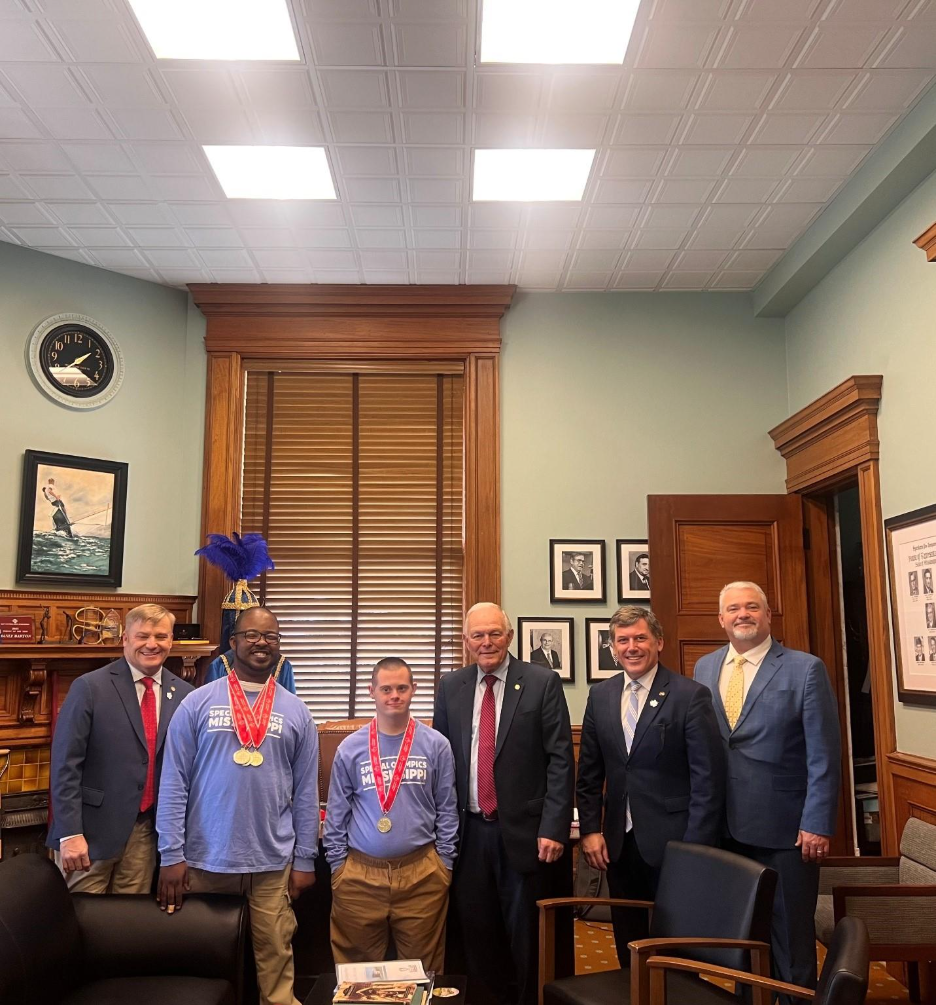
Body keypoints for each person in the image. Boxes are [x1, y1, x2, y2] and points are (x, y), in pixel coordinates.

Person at [156, 606, 319, 1005]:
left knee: (277, 965)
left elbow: (305, 793)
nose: (261, 643)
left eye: (271, 637)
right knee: (203, 968)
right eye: (251, 635)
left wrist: (305, 860)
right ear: (233, 643)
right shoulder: (196, 703)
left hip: (272, 863)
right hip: (205, 861)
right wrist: (170, 854)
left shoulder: (297, 711)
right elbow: (174, 781)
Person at [693, 581, 840, 1000]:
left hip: (788, 830)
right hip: (725, 828)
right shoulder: (705, 667)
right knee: (743, 938)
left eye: (752, 607)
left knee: (792, 937)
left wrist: (817, 823)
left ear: (768, 614)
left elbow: (824, 754)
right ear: (721, 619)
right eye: (734, 608)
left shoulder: (804, 668)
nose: (743, 614)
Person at [433, 602, 575, 1005]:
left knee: (526, 936)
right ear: (465, 642)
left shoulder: (541, 681)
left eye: (494, 633)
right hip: (469, 833)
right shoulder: (451, 686)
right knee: (477, 935)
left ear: (509, 637)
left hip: (527, 835)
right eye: (477, 635)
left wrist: (553, 827)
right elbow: (443, 762)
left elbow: (561, 760)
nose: (486, 642)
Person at [577, 605, 724, 959]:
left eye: (640, 638)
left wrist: (696, 848)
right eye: (622, 640)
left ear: (658, 642)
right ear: (613, 648)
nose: (632, 647)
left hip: (673, 841)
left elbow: (708, 779)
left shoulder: (690, 695)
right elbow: (589, 772)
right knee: (628, 938)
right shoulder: (601, 695)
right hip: (617, 842)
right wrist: (590, 830)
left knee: (673, 944)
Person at [47, 604, 193, 893]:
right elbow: (65, 765)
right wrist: (70, 832)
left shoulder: (186, 694)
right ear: (125, 638)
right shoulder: (90, 687)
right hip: (89, 833)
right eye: (143, 636)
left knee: (126, 925)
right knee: (79, 920)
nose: (152, 644)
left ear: (171, 641)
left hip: (145, 832)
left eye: (161, 636)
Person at [325, 658, 458, 972]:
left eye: (401, 688)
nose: (394, 695)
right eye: (386, 688)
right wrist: (337, 867)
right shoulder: (350, 748)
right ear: (372, 692)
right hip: (359, 876)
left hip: (422, 874)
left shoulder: (437, 745)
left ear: (414, 689)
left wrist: (445, 864)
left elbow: (447, 809)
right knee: (357, 975)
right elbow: (336, 814)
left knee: (421, 973)